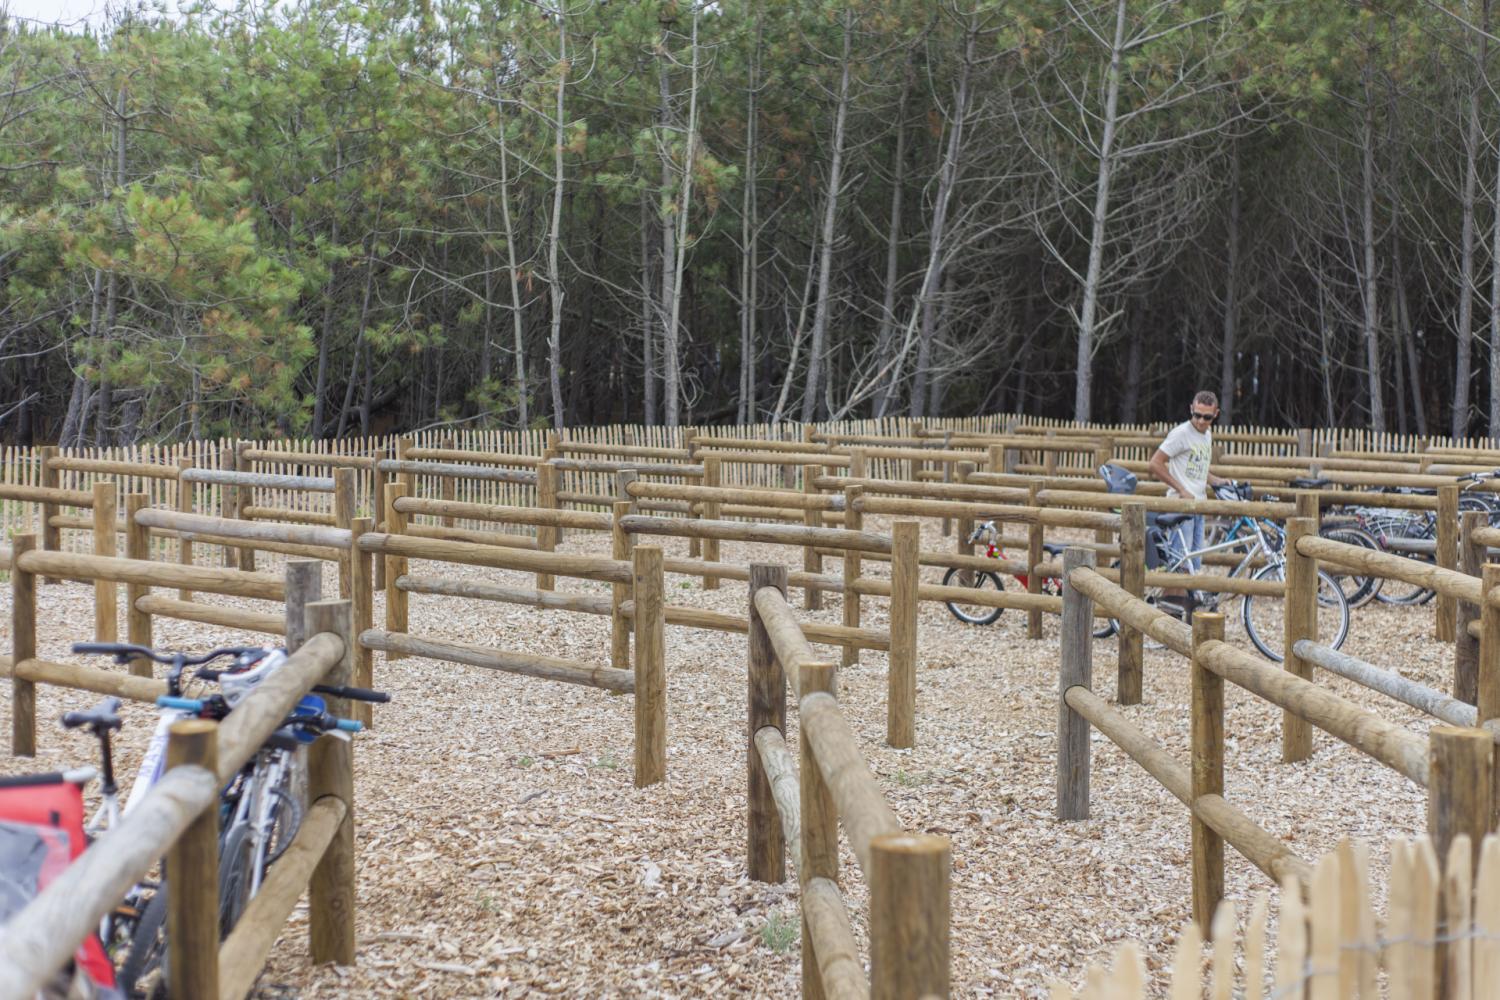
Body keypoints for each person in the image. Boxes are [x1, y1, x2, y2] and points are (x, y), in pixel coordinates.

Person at [1147, 390, 1230, 577]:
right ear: (1191, 409)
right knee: (1180, 565)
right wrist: (1181, 489)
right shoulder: (1181, 434)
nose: (1201, 421)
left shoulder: (1207, 434)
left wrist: (1217, 480)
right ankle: (1169, 605)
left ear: (1215, 414)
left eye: (1206, 417)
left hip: (1199, 506)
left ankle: (1184, 605)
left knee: (1193, 565)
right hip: (1180, 508)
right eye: (1197, 415)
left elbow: (1198, 468)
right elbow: (1155, 463)